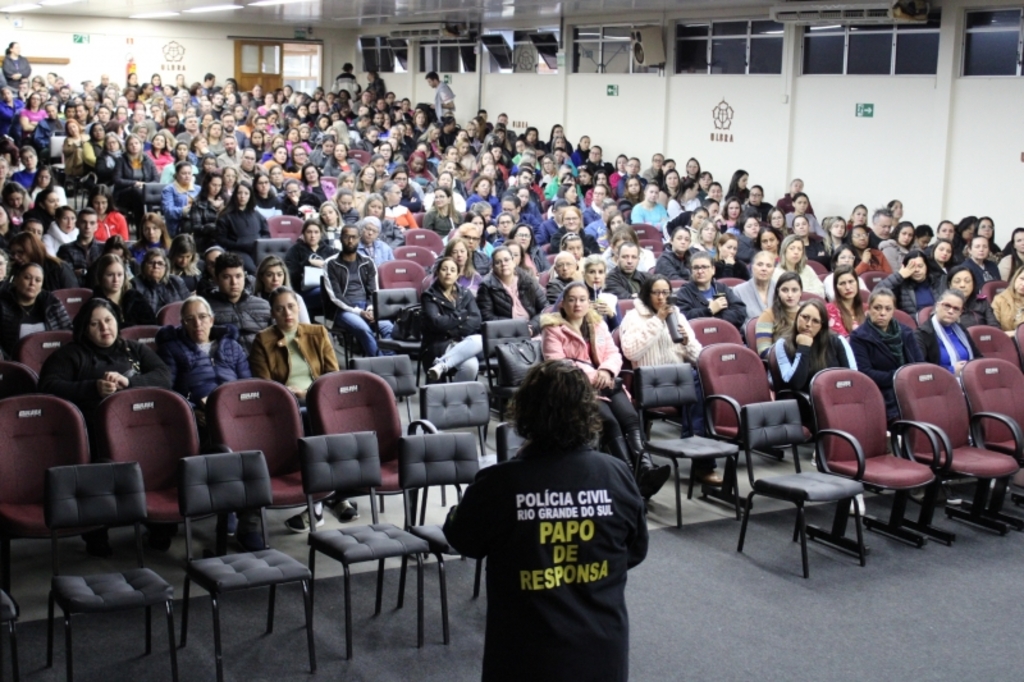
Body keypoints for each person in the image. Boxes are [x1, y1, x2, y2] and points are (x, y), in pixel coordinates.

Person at [442, 359, 648, 682]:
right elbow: (634, 551)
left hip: (526, 657)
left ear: (524, 411)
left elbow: (459, 536)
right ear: (587, 412)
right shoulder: (617, 474)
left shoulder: (498, 482)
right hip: (601, 654)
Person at [542, 280, 671, 499]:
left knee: (630, 418)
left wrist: (608, 372)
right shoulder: (553, 329)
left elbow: (614, 354)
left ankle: (646, 469)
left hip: (608, 382)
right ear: (563, 304)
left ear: (588, 303)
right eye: (572, 300)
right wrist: (596, 376)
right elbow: (558, 364)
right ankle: (629, 476)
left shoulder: (598, 324)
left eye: (582, 300)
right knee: (610, 422)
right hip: (577, 390)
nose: (577, 304)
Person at [619, 275, 716, 479]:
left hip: (680, 380)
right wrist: (657, 321)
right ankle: (701, 459)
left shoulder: (677, 315)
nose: (662, 298)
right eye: (657, 293)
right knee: (695, 382)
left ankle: (698, 452)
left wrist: (688, 341)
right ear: (647, 294)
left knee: (700, 382)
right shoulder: (632, 317)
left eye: (666, 293)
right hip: (650, 382)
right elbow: (631, 352)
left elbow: (698, 355)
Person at [156, 294, 250, 431]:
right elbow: (167, 392)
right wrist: (192, 411)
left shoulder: (232, 346)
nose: (197, 324)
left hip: (236, 408)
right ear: (183, 324)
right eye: (190, 319)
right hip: (199, 415)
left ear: (211, 320)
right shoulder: (171, 349)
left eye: (202, 317)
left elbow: (247, 384)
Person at [849, 287, 923, 421]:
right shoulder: (859, 337)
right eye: (877, 308)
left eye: (888, 309)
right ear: (869, 309)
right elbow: (865, 373)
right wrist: (900, 377)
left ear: (893, 311)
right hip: (882, 393)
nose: (882, 313)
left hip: (911, 389)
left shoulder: (906, 332)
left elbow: (919, 364)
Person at [323, 224, 393, 357]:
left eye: (354, 237)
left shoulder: (368, 262)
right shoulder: (330, 263)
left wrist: (371, 308)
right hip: (342, 310)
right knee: (364, 329)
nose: (350, 241)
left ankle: (391, 361)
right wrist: (359, 312)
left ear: (359, 238)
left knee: (389, 327)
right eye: (347, 237)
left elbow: (374, 291)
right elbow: (336, 296)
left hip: (366, 308)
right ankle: (381, 365)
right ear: (341, 238)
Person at [772, 299, 856, 394]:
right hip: (804, 403)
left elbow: (852, 379)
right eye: (805, 317)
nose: (808, 324)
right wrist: (803, 348)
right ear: (797, 317)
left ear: (822, 326)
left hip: (836, 398)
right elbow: (795, 383)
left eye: (815, 321)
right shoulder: (783, 344)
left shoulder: (838, 341)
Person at [423, 256, 483, 382]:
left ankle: (442, 365)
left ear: (457, 275)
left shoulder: (465, 293)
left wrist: (452, 328)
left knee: (479, 342)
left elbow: (476, 319)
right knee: (471, 366)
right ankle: (444, 366)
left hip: (464, 341)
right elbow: (437, 323)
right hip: (440, 343)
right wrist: (461, 315)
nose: (448, 273)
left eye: (452, 270)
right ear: (438, 273)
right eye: (444, 269)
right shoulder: (429, 296)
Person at [0, 261, 71, 359]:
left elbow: (67, 334)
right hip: (14, 363)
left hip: (52, 360)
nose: (32, 283)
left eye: (38, 280)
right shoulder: (3, 305)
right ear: (16, 280)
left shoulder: (52, 304)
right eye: (27, 278)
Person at [207, 252, 272, 352]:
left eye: (238, 276)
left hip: (261, 358)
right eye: (227, 277)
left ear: (244, 277)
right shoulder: (206, 309)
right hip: (226, 361)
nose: (234, 283)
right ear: (216, 279)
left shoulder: (264, 305)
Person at [477, 246, 548, 337]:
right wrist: (516, 327)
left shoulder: (528, 280)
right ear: (493, 267)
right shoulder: (487, 286)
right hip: (505, 333)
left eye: (506, 260)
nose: (503, 264)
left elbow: (545, 309)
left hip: (533, 330)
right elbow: (487, 316)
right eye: (498, 262)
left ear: (513, 262)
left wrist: (532, 327)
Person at [914, 289, 982, 376]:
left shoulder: (961, 330)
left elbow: (978, 357)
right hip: (939, 384)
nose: (950, 311)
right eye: (947, 306)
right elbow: (921, 369)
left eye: (956, 309)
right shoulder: (922, 334)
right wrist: (951, 370)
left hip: (968, 379)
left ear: (960, 313)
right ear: (937, 306)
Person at [674, 252, 747, 331]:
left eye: (704, 267)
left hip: (724, 333)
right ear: (691, 271)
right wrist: (709, 310)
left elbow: (740, 312)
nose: (700, 271)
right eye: (696, 268)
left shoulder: (722, 288)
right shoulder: (684, 292)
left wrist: (715, 315)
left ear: (713, 270)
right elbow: (683, 316)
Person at [214, 181, 269, 274]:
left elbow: (266, 233)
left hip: (258, 250)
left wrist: (259, 243)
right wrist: (238, 244)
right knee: (253, 271)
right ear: (235, 195)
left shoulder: (257, 214)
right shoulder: (226, 216)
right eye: (239, 193)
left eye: (246, 193)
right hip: (237, 251)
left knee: (267, 269)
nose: (242, 196)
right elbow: (220, 239)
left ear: (250, 195)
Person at [285, 218, 338, 314]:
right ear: (303, 234)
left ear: (321, 234)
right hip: (304, 292)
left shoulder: (329, 251)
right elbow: (290, 274)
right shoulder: (295, 250)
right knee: (327, 291)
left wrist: (326, 265)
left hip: (328, 289)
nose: (313, 236)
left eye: (316, 232)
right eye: (309, 232)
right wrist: (308, 263)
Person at [91, 254, 155, 328]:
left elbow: (151, 328)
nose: (116, 280)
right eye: (110, 275)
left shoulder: (136, 299)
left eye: (119, 275)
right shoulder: (94, 304)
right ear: (101, 276)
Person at [878, 250, 944, 317]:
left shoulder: (936, 282)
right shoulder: (901, 284)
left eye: (920, 266)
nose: (917, 270)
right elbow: (877, 292)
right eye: (912, 267)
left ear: (926, 267)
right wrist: (899, 275)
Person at [8, 231, 76, 291]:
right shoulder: (15, 271)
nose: (15, 257)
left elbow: (73, 297)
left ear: (33, 249)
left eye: (20, 252)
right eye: (13, 253)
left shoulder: (58, 268)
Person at [755, 271, 803, 357]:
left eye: (794, 290)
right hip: (781, 364)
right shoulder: (768, 315)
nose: (790, 295)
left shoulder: (806, 313)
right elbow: (763, 351)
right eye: (785, 290)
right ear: (778, 292)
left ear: (801, 292)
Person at [254, 254, 311, 324]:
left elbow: (306, 326)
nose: (275, 279)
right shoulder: (254, 300)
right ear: (261, 277)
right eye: (269, 275)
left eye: (279, 274)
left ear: (284, 276)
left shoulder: (296, 298)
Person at [132, 248, 190, 314]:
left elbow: (189, 305)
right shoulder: (135, 284)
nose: (155, 266)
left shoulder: (176, 281)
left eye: (160, 263)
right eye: (151, 263)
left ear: (166, 267)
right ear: (143, 266)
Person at [56, 208, 103, 286]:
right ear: (77, 224)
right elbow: (68, 276)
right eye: (84, 222)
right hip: (75, 291)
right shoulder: (65, 249)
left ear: (96, 226)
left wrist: (82, 272)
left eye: (92, 223)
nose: (87, 226)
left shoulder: (103, 249)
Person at [945, 264, 998, 328]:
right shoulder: (944, 305)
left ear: (973, 284)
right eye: (957, 281)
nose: (962, 285)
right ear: (950, 285)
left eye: (967, 281)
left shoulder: (982, 302)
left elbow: (995, 328)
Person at [733, 250, 777, 325]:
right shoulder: (738, 291)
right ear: (752, 267)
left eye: (769, 266)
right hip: (749, 334)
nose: (764, 269)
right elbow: (737, 321)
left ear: (773, 270)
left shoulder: (779, 289)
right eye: (760, 264)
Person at [160, 160, 199, 236]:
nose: (187, 176)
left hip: (196, 222)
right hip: (178, 225)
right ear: (177, 174)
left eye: (189, 173)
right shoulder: (169, 189)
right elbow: (168, 211)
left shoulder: (198, 189)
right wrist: (182, 211)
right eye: (184, 173)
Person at [582, 254, 619, 331]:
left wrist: (611, 315)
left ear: (605, 275)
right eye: (592, 272)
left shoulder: (611, 298)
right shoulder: (574, 295)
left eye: (601, 272)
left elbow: (619, 332)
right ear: (584, 274)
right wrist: (583, 312)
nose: (596, 276)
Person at [825, 265, 865, 337]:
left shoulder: (867, 308)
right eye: (842, 283)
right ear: (836, 287)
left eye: (851, 281)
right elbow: (842, 340)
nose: (848, 287)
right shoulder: (830, 309)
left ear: (857, 283)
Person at [991, 265, 1024, 335]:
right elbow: (994, 330)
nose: (1023, 284)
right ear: (1015, 278)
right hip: (1004, 341)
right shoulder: (999, 299)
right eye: (1022, 279)